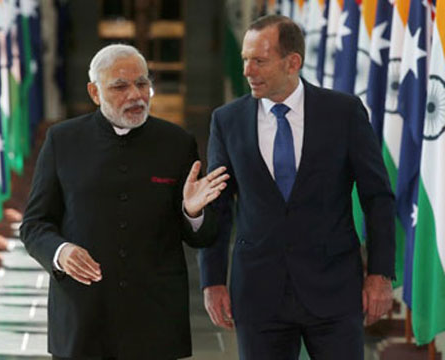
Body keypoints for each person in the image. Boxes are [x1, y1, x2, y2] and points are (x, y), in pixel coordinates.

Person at [199, 15, 395, 360]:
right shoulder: (226, 120)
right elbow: (218, 208)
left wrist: (379, 274)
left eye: (259, 61)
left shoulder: (344, 112)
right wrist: (212, 280)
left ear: (293, 62)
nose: (247, 70)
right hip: (258, 292)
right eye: (245, 59)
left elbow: (377, 198)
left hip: (334, 290)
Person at [20, 44, 229, 360]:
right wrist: (61, 253)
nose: (136, 95)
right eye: (120, 86)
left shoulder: (177, 143)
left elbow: (204, 235)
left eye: (142, 83)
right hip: (83, 317)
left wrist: (192, 211)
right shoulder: (62, 141)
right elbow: (34, 225)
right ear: (94, 92)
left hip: (154, 320)